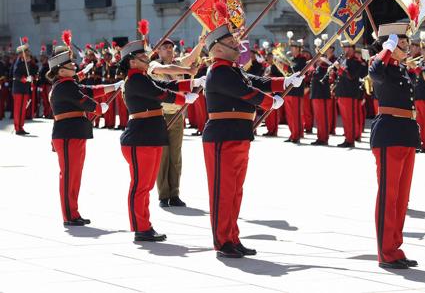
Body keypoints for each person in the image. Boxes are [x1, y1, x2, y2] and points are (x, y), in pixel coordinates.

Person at [201, 25, 303, 258]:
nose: (238, 45)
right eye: (231, 42)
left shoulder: (233, 70)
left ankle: (232, 237)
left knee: (235, 191)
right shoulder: (219, 71)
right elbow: (246, 92)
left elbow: (257, 81)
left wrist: (285, 81)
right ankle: (222, 241)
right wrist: (269, 102)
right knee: (223, 192)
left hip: (238, 134)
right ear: (217, 48)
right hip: (223, 136)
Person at [118, 39, 202, 242]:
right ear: (132, 61)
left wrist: (192, 83)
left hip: (150, 136)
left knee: (145, 186)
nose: (147, 58)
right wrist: (183, 98)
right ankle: (140, 228)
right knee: (141, 186)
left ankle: (145, 225)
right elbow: (161, 93)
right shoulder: (136, 79)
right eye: (143, 56)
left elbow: (166, 83)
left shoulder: (143, 77)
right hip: (140, 137)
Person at [47, 48, 123, 226]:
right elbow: (83, 100)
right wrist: (98, 108)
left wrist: (113, 86)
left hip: (74, 133)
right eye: (70, 64)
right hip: (67, 134)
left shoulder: (69, 84)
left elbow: (89, 90)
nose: (74, 66)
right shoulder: (64, 86)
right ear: (61, 70)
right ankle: (69, 215)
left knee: (75, 175)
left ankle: (73, 212)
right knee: (68, 176)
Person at [369, 22, 420, 270]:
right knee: (388, 197)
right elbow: (375, 72)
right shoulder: (381, 64)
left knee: (401, 198)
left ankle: (395, 248)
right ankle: (385, 252)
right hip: (389, 133)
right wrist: (386, 49)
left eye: (406, 42)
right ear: (389, 42)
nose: (407, 46)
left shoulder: (399, 69)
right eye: (402, 42)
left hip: (406, 133)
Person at [148, 37, 203, 208]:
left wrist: (200, 43)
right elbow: (167, 69)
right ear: (158, 51)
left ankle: (175, 194)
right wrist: (187, 70)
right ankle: (163, 195)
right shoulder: (153, 65)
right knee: (163, 156)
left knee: (176, 156)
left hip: (177, 114)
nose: (169, 50)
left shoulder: (179, 62)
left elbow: (192, 57)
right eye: (165, 47)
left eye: (171, 47)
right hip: (160, 115)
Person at [334, 40, 368, 148]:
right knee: (345, 118)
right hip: (343, 93)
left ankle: (351, 139)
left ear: (352, 49)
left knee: (350, 119)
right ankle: (347, 138)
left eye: (347, 48)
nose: (345, 50)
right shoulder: (346, 60)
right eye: (344, 48)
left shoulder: (356, 62)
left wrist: (339, 69)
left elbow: (351, 76)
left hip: (350, 94)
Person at [284, 40, 306, 143]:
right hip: (289, 90)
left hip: (296, 91)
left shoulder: (302, 59)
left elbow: (297, 71)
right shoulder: (291, 59)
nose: (291, 49)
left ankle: (296, 135)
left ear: (298, 48)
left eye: (293, 47)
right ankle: (292, 133)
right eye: (291, 47)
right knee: (289, 114)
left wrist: (287, 65)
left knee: (296, 114)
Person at [12, 42, 36, 135]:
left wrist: (31, 77)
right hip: (18, 88)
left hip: (24, 88)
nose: (27, 53)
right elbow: (16, 75)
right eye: (26, 52)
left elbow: (32, 71)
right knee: (18, 109)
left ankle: (21, 127)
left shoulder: (26, 62)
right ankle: (17, 128)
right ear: (22, 53)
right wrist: (25, 79)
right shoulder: (18, 62)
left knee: (22, 109)